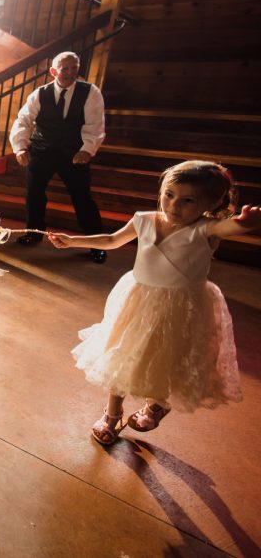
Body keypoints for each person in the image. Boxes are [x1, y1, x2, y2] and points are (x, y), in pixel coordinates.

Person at [48, 161, 257, 446]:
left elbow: (231, 226)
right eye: (169, 194)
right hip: (139, 300)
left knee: (167, 358)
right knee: (123, 353)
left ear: (211, 203)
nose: (173, 205)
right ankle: (112, 414)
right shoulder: (144, 220)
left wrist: (245, 223)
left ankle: (156, 405)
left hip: (180, 306)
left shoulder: (207, 229)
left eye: (187, 200)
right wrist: (73, 241)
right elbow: (112, 239)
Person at [9, 51, 108, 263]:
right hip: (41, 151)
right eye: (65, 69)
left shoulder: (90, 92)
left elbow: (95, 124)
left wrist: (87, 149)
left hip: (73, 154)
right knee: (34, 194)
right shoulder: (39, 94)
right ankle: (33, 233)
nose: (70, 73)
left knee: (82, 198)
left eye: (74, 68)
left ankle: (96, 243)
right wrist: (20, 147)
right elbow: (23, 121)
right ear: (53, 71)